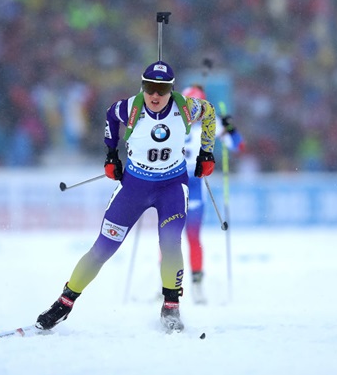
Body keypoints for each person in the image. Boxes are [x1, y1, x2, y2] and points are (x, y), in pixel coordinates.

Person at [35, 61, 217, 333]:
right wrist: (111, 155)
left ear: (171, 89)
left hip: (171, 188)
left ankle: (170, 306)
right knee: (103, 248)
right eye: (149, 88)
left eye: (162, 89)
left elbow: (210, 113)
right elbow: (110, 116)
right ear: (142, 86)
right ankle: (64, 303)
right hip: (134, 187)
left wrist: (207, 152)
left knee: (170, 243)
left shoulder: (186, 107)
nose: (155, 96)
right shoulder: (130, 107)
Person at [180, 84, 245, 304]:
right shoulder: (172, 121)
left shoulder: (210, 122)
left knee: (192, 236)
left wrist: (230, 127)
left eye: (197, 107)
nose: (193, 113)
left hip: (196, 182)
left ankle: (197, 284)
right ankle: (166, 286)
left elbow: (238, 146)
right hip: (172, 181)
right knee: (168, 236)